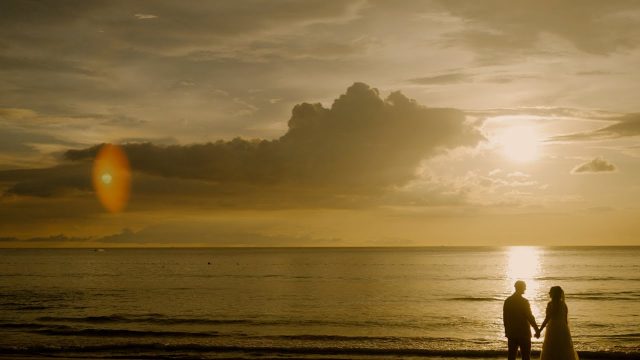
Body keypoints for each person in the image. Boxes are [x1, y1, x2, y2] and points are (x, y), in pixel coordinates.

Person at [536, 286, 579, 360]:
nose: (549, 293)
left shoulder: (550, 304)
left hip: (553, 328)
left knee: (552, 347)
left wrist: (539, 330)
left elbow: (547, 318)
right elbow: (565, 320)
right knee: (563, 348)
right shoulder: (564, 305)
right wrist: (566, 332)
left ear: (553, 294)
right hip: (562, 328)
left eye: (551, 292)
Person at [504, 280, 540, 360]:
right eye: (524, 287)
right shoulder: (524, 301)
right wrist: (536, 329)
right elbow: (530, 317)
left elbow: (505, 318)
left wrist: (507, 330)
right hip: (524, 332)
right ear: (521, 288)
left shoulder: (508, 301)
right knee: (526, 356)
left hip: (512, 332)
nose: (525, 289)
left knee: (511, 356)